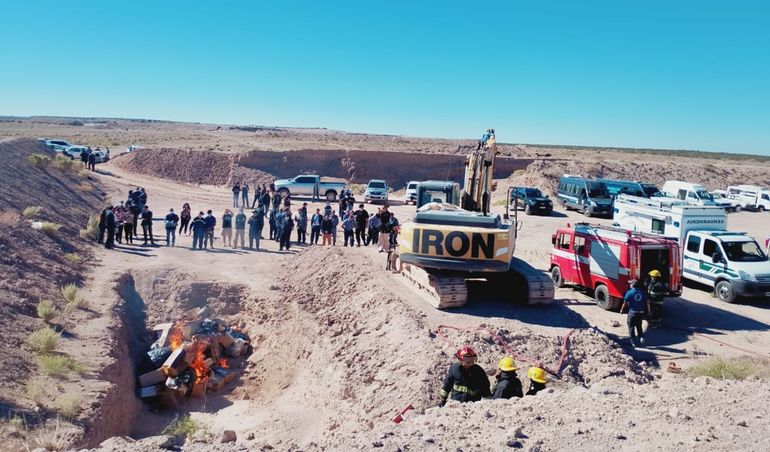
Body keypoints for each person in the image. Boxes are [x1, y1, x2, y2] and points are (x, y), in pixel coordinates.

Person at [621, 279, 650, 346]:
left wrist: (621, 310)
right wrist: (649, 311)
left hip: (632, 313)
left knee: (631, 327)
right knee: (639, 325)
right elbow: (647, 302)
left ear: (632, 285)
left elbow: (624, 302)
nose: (630, 285)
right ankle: (641, 337)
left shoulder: (629, 292)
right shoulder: (642, 292)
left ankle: (633, 341)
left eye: (630, 284)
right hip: (641, 313)